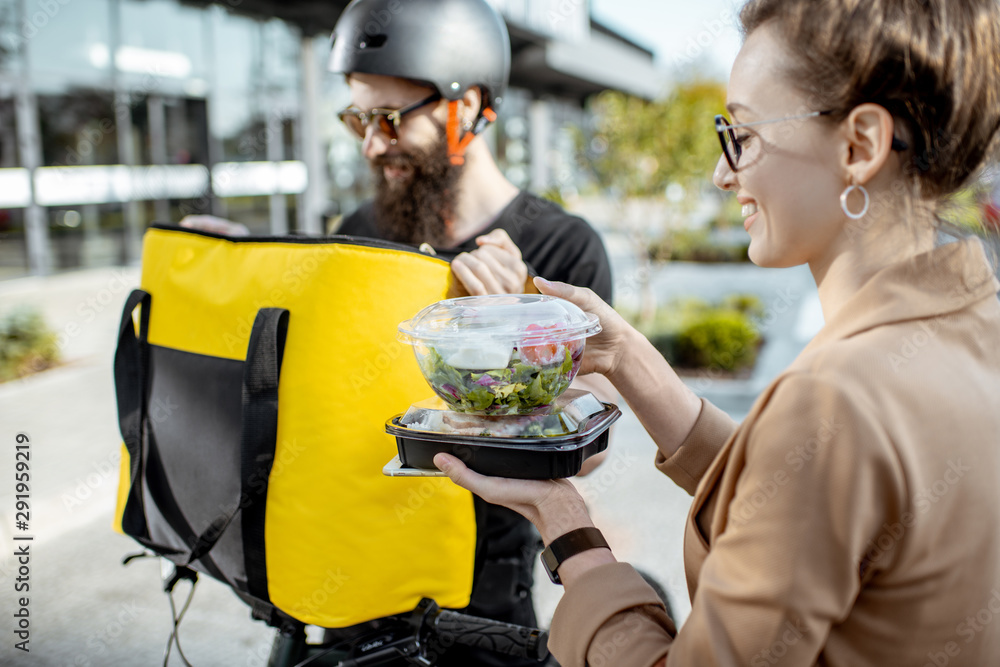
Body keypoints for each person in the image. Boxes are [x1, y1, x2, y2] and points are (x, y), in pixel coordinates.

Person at [433, 0, 1000, 665]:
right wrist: (626, 357)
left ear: (860, 146)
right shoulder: (970, 325)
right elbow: (802, 495)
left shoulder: (838, 396)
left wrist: (569, 528)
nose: (721, 173)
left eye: (744, 135)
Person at [183, 0, 615, 662]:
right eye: (357, 116)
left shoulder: (560, 252)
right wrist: (246, 271)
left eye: (388, 118)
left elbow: (587, 452)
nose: (370, 143)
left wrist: (519, 324)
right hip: (345, 586)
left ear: (465, 108)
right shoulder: (358, 231)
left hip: (477, 608)